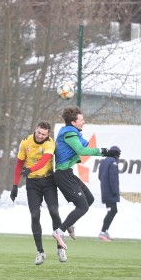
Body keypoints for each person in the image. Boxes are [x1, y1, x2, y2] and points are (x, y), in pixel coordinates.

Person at [52, 106, 118, 261]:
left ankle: (68, 224)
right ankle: (59, 231)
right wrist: (103, 151)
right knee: (83, 207)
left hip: (69, 173)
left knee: (89, 199)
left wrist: (105, 152)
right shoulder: (68, 133)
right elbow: (81, 150)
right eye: (81, 120)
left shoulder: (72, 132)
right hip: (63, 175)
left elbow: (84, 146)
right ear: (73, 122)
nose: (84, 122)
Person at [10, 121, 64, 265]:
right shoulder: (25, 142)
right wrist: (15, 185)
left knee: (54, 211)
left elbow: (45, 160)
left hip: (48, 181)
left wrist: (30, 169)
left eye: (43, 134)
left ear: (48, 135)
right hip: (32, 184)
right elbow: (19, 165)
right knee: (35, 216)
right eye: (38, 132)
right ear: (35, 130)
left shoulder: (50, 144)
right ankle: (40, 252)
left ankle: (60, 247)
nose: (40, 136)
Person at [98, 145, 121, 241]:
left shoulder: (103, 162)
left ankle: (105, 231)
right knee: (112, 211)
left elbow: (99, 176)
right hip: (111, 191)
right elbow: (113, 178)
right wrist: (115, 191)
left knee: (111, 210)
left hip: (105, 190)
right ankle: (103, 232)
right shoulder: (113, 162)